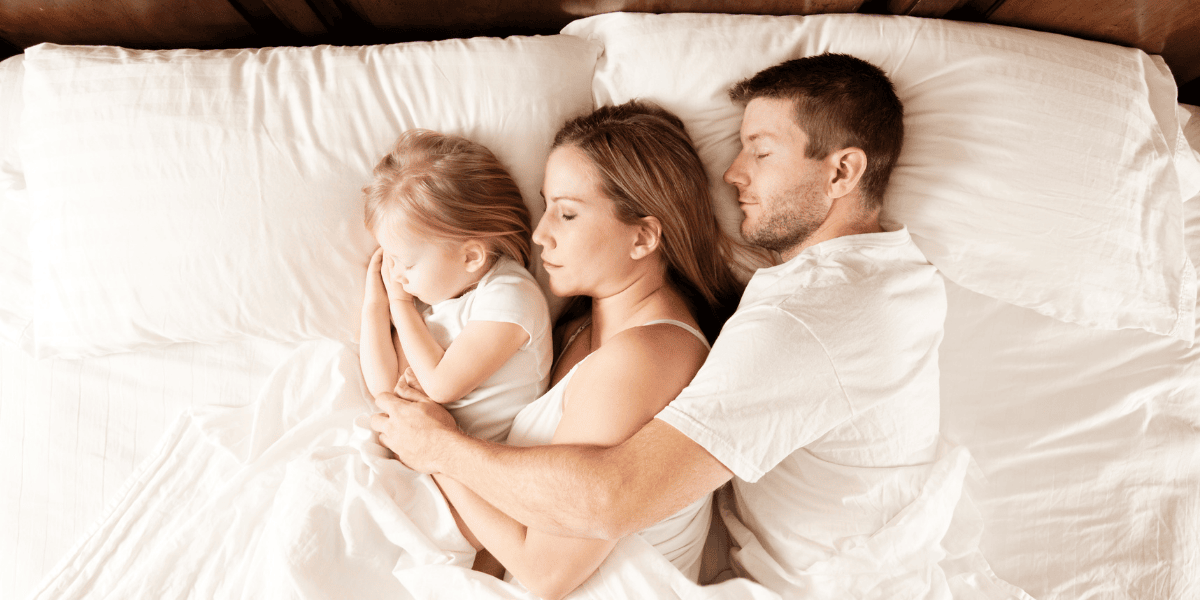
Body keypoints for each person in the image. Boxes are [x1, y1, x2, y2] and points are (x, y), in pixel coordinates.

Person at [372, 53, 962, 595]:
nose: (732, 173)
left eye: (761, 152)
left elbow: (608, 502)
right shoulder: (867, 287)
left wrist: (439, 447)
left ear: (842, 172)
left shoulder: (812, 318)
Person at [379, 100, 745, 599]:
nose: (540, 234)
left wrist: (439, 448)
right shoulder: (575, 332)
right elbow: (517, 514)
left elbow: (547, 571)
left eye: (567, 213)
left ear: (643, 237)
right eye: (546, 206)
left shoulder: (645, 356)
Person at [359, 129, 553, 444]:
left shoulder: (510, 295)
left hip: (492, 459)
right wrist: (374, 307)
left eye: (406, 263)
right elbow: (385, 390)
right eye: (390, 260)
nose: (396, 276)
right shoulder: (439, 300)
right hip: (434, 453)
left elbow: (439, 386)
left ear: (471, 256)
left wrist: (400, 305)